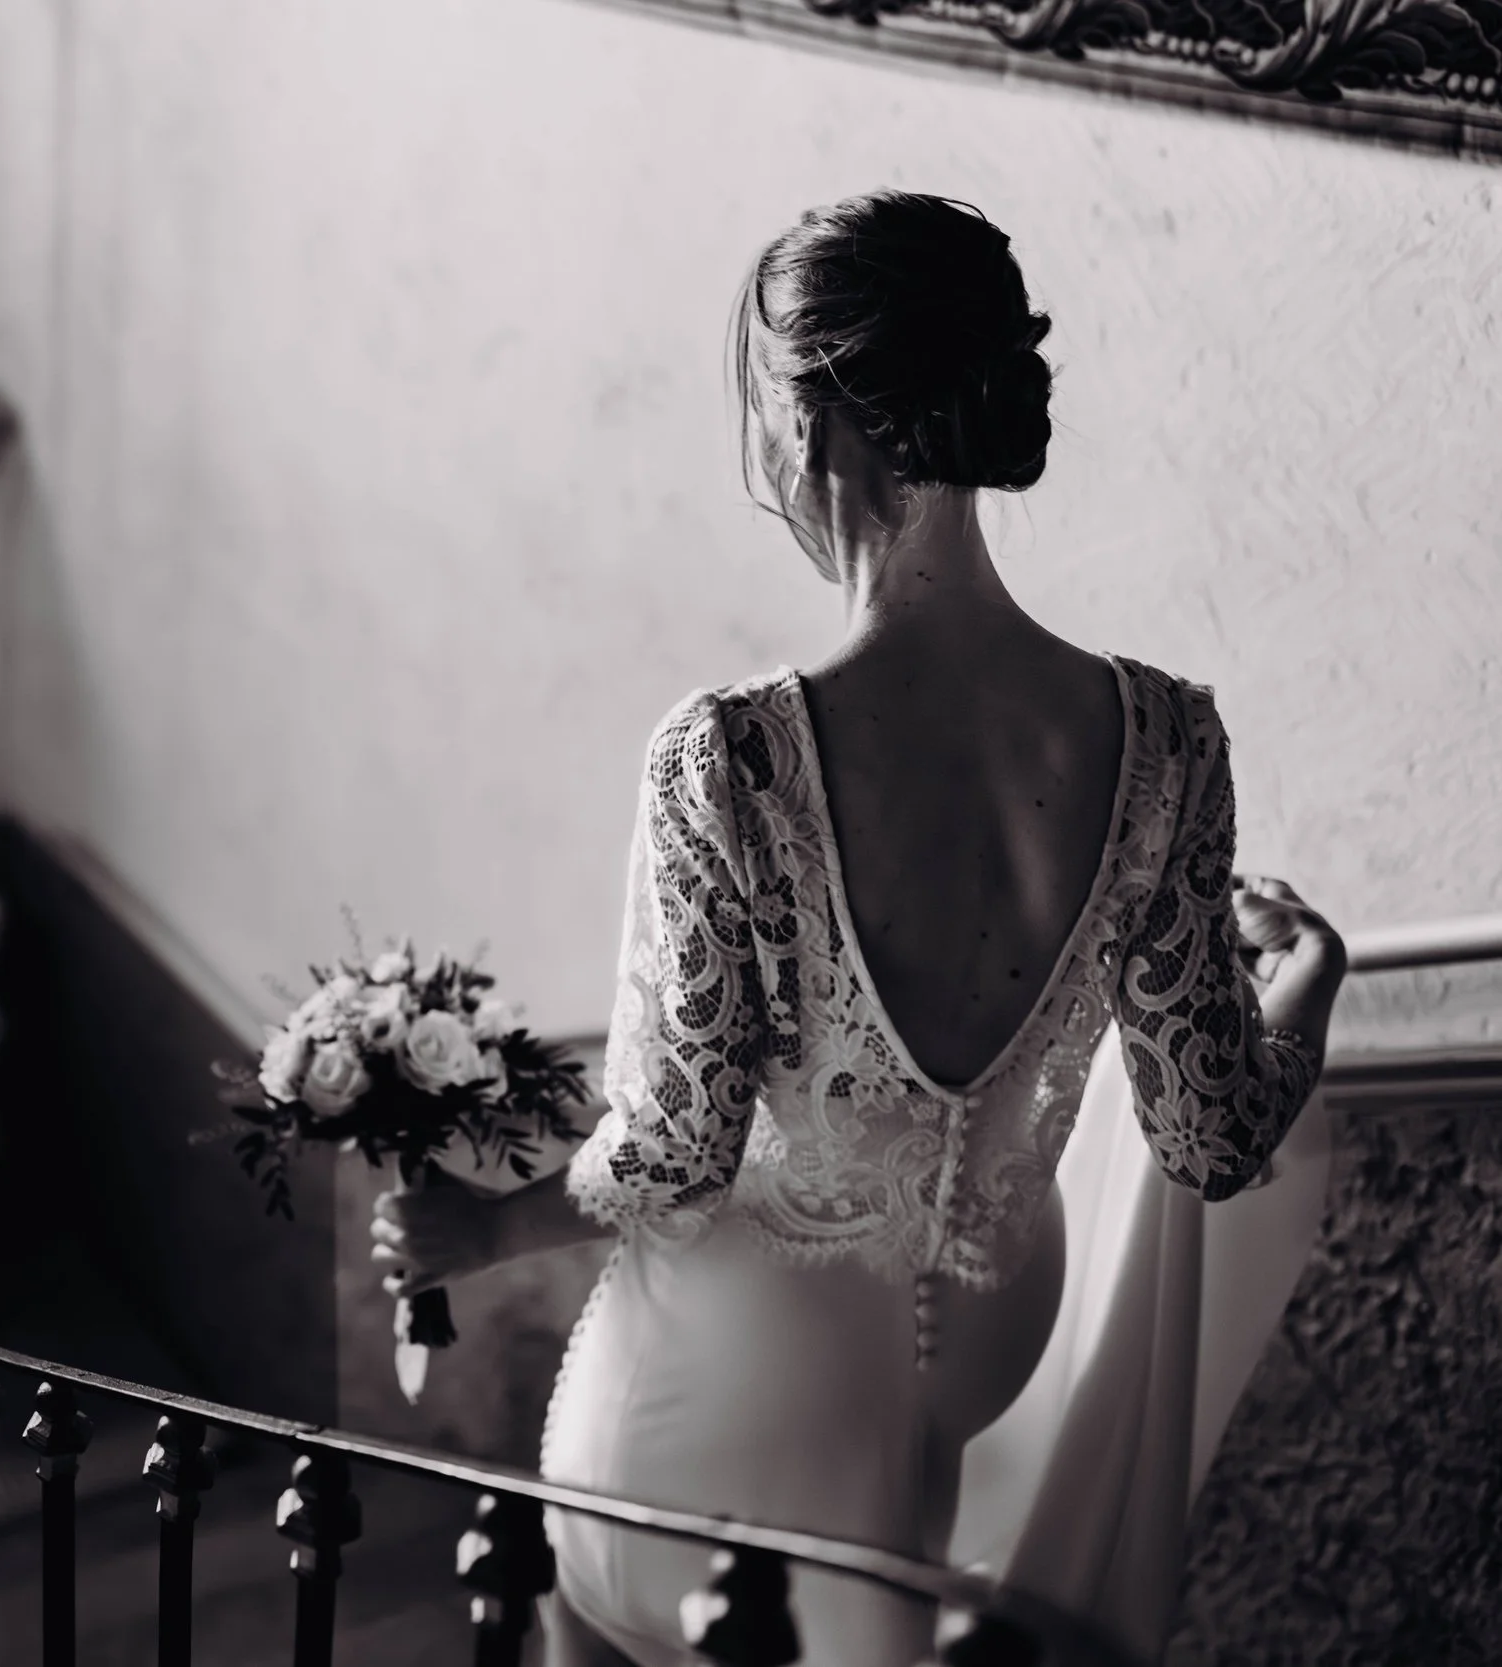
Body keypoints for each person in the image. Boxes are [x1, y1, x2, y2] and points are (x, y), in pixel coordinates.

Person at [369, 191, 1348, 1667]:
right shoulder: (1167, 739)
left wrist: (481, 1226)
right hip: (983, 1348)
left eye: (766, 408)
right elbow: (1213, 1136)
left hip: (739, 1384)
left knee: (597, 1619)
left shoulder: (733, 758)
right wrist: (1315, 974)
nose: (761, 451)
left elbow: (674, 1151)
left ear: (824, 425)